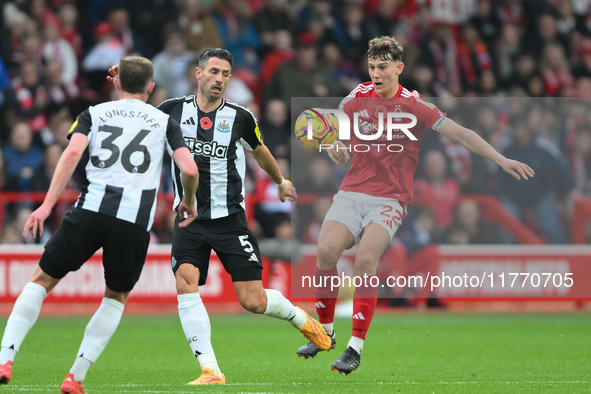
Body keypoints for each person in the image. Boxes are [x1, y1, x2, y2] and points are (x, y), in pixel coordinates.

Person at [296, 36, 535, 374]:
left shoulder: (414, 105)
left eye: (382, 67)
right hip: (352, 191)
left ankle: (355, 347)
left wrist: (500, 158)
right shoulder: (358, 96)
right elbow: (327, 124)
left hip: (390, 198)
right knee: (325, 253)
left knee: (365, 259)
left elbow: (461, 134)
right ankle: (326, 332)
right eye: (371, 67)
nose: (376, 74)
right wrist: (331, 141)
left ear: (399, 68)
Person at [107, 47, 330, 386]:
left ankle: (300, 318)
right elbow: (137, 120)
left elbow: (260, 151)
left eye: (225, 74)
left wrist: (281, 181)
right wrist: (123, 88)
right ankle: (210, 369)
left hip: (230, 220)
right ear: (198, 73)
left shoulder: (240, 117)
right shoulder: (171, 111)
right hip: (189, 218)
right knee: (185, 281)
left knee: (252, 301)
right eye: (213, 72)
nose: (219, 79)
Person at [0, 55, 199, 394]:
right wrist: (188, 200)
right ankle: (74, 378)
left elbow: (72, 153)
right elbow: (190, 170)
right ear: (151, 88)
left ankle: (5, 358)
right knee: (116, 296)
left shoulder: (93, 113)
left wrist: (47, 205)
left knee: (41, 280)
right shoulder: (164, 121)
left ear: (117, 81)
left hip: (90, 210)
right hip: (133, 223)